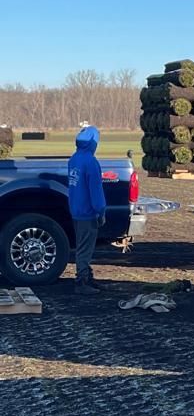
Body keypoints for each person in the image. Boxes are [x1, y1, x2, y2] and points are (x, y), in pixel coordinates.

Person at [68, 124, 106, 293]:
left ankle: (87, 277)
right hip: (88, 213)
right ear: (93, 143)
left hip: (75, 210)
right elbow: (96, 191)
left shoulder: (74, 159)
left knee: (82, 246)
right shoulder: (91, 162)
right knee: (85, 248)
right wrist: (101, 211)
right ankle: (82, 282)